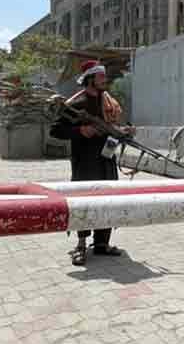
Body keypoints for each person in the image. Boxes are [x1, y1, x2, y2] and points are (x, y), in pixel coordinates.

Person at [50, 60, 133, 266]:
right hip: (85, 162)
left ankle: (102, 244)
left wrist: (124, 132)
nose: (105, 79)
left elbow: (112, 127)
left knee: (108, 200)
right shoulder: (76, 103)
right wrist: (80, 130)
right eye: (101, 76)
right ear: (90, 79)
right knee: (84, 202)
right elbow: (56, 130)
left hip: (107, 160)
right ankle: (80, 245)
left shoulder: (109, 103)